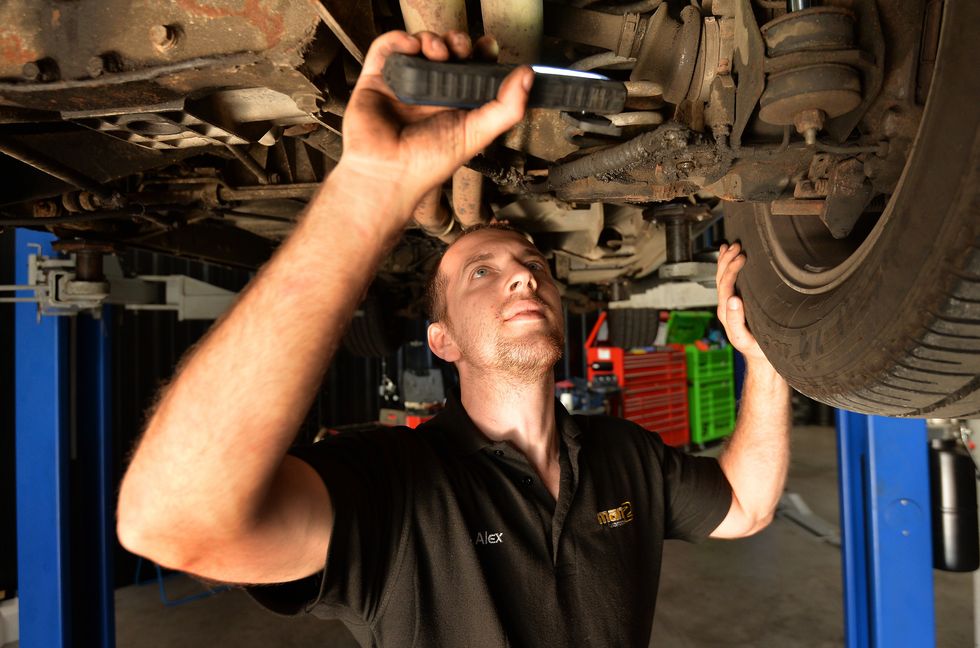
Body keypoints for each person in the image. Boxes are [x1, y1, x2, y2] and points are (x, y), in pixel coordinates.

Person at [117, 29, 791, 647]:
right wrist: (369, 188)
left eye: (533, 268)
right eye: (482, 272)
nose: (524, 280)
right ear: (442, 341)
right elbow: (176, 522)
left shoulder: (624, 455)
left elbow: (747, 504)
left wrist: (765, 362)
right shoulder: (399, 484)